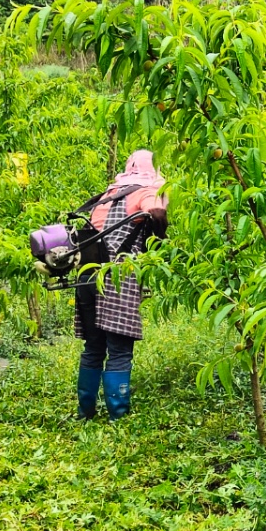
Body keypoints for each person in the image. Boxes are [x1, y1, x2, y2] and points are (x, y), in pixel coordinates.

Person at [74, 150, 168, 421]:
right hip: (118, 278)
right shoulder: (144, 191)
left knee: (93, 347)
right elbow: (156, 212)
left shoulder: (107, 195)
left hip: (87, 277)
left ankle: (85, 412)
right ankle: (118, 415)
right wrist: (160, 235)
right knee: (119, 349)